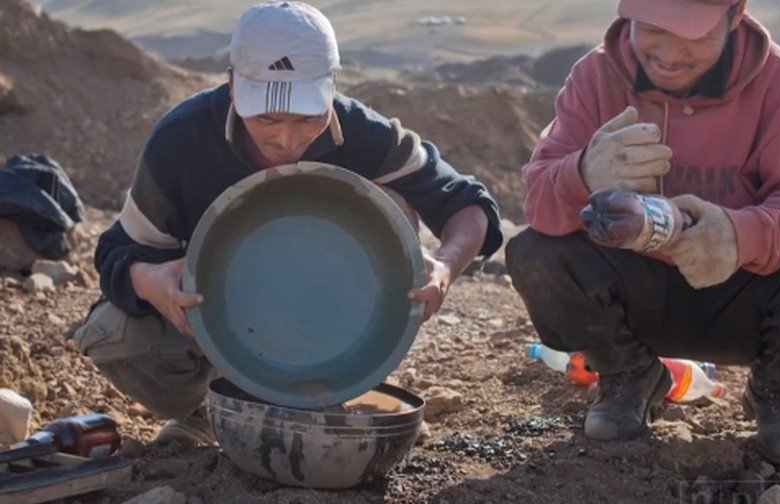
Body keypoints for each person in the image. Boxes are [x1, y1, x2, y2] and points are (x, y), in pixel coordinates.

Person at [74, 2, 502, 446]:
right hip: (220, 323)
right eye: (267, 118)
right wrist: (150, 281)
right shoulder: (181, 140)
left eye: (307, 118)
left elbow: (469, 204)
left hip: (336, 328)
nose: (286, 139)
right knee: (116, 333)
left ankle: (336, 383)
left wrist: (445, 266)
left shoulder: (366, 135)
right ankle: (209, 409)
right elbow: (117, 251)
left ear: (332, 88)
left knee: (389, 200)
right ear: (234, 84)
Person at [506, 0, 780, 466]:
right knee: (535, 253)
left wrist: (739, 234)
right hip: (636, 295)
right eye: (652, 28)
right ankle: (629, 375)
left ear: (735, 16)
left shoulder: (779, 81)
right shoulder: (596, 76)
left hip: (745, 294)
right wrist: (582, 173)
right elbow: (539, 202)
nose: (669, 53)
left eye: (695, 34)